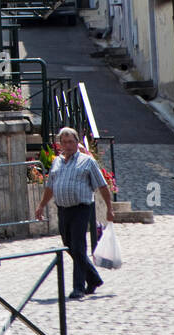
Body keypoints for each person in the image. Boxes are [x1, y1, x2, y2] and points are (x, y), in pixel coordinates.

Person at [34, 126, 116, 299]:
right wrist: (41, 205)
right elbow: (50, 187)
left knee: (78, 247)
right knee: (69, 246)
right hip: (63, 209)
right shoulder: (56, 162)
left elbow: (102, 185)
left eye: (71, 142)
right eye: (64, 142)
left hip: (81, 208)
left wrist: (110, 208)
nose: (68, 145)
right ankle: (93, 278)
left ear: (77, 143)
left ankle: (78, 287)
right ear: (60, 145)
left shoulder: (87, 161)